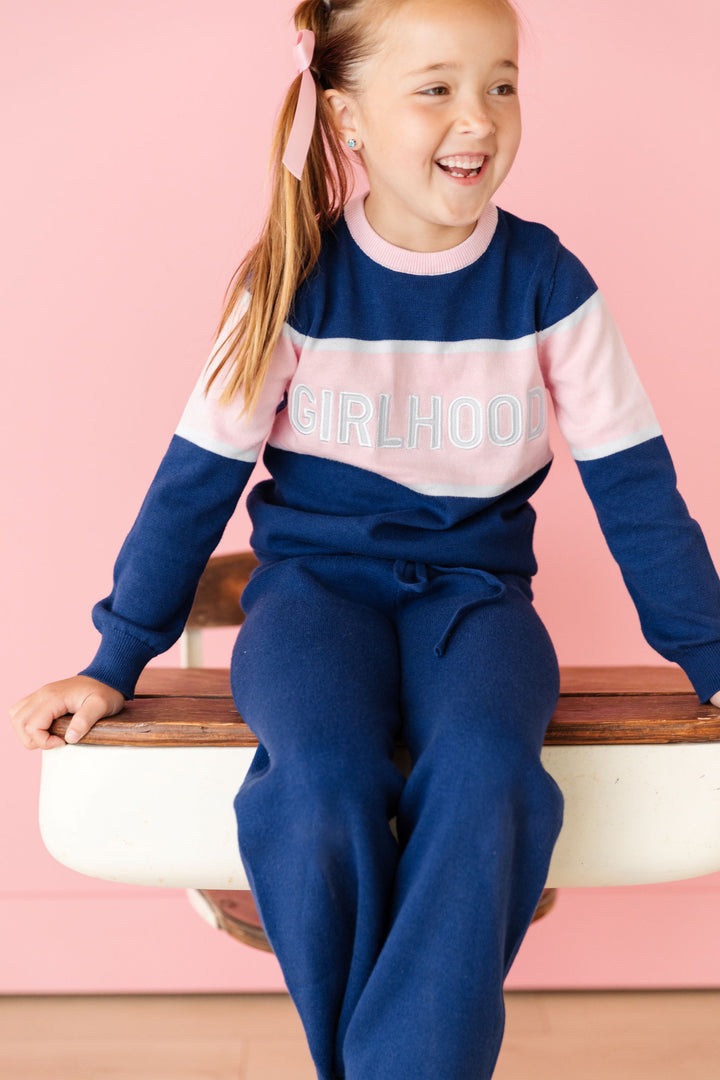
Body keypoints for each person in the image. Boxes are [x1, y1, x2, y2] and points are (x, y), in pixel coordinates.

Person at [10, 0, 720, 1076]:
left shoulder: (549, 287)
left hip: (475, 605)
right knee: (320, 780)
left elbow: (639, 495)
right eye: (434, 87)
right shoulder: (290, 281)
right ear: (345, 116)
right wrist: (114, 660)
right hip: (312, 600)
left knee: (490, 773)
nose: (476, 117)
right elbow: (191, 487)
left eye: (502, 82)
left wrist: (712, 661)